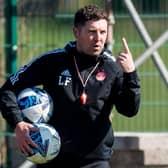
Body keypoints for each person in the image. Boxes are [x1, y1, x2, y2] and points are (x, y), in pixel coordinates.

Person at [0, 4, 140, 168]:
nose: (98, 38)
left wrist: (131, 74)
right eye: (91, 32)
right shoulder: (52, 62)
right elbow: (7, 89)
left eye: (103, 32)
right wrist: (18, 123)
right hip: (53, 160)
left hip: (95, 162)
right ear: (76, 32)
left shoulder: (113, 68)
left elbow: (129, 109)